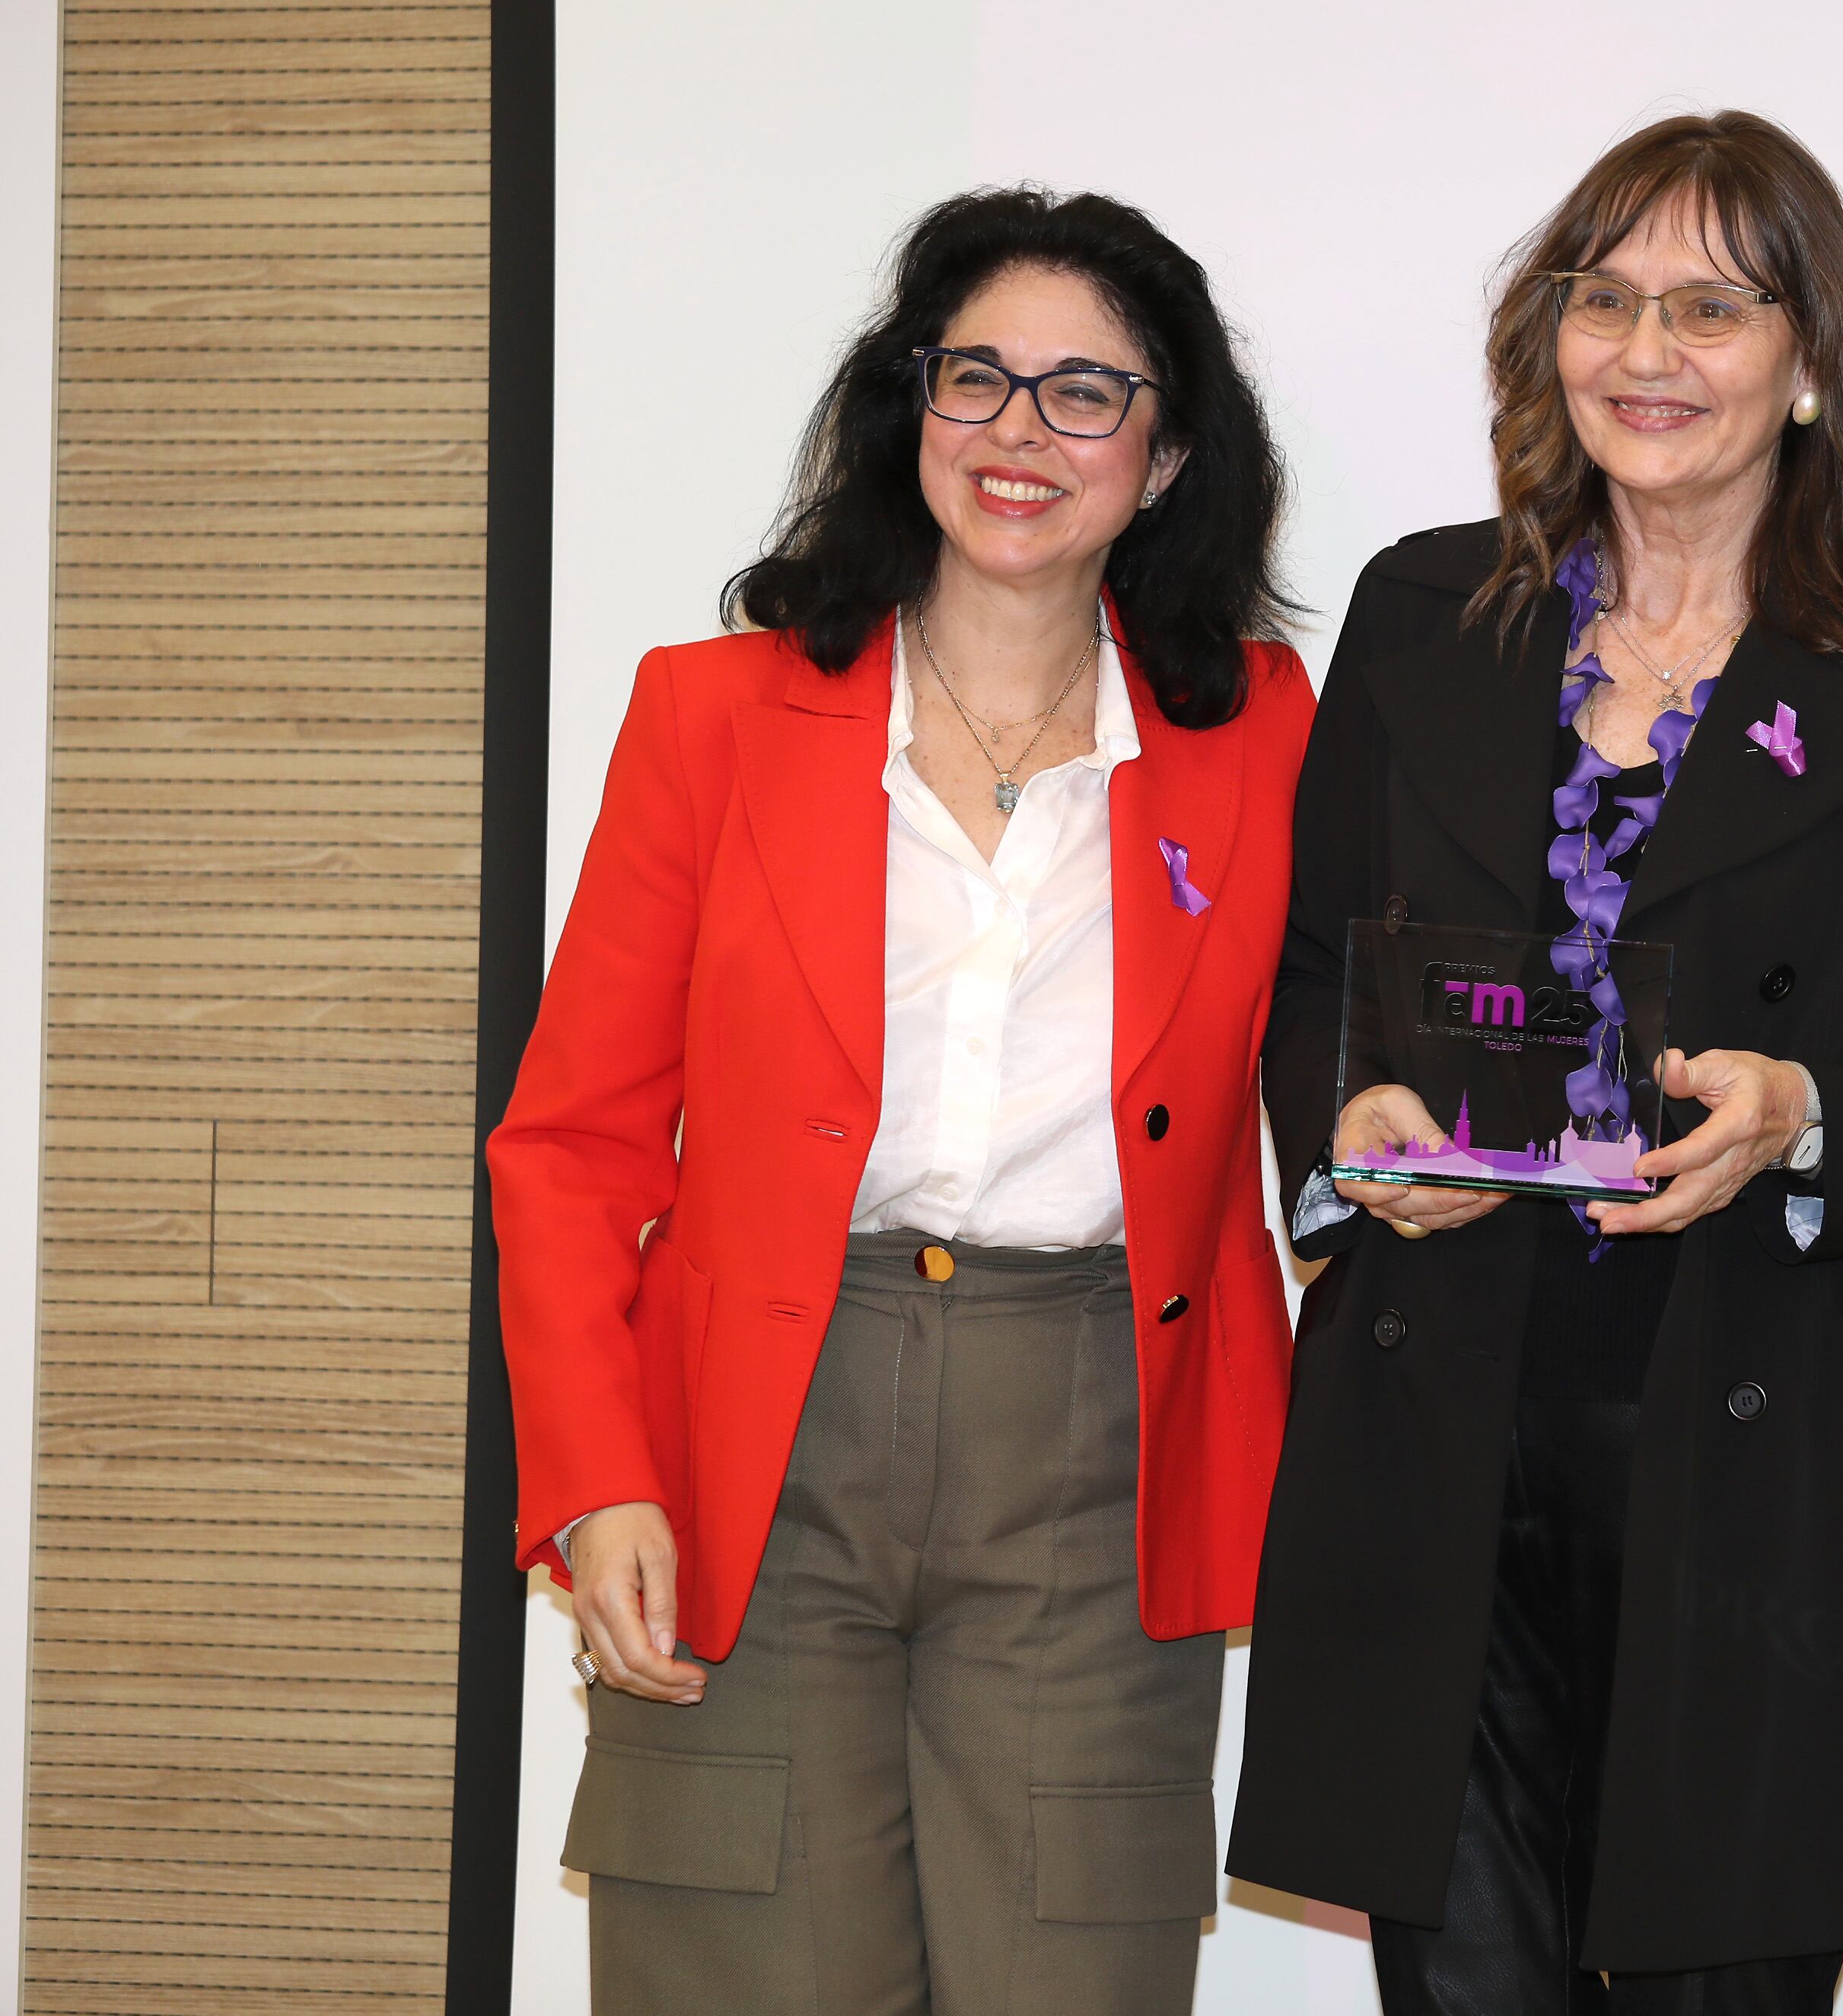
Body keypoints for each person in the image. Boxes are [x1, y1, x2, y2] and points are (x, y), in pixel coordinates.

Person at [1224, 111, 1843, 2014]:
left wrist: (1806, 1118)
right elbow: (1310, 980)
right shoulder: (1423, 617)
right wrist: (1347, 1120)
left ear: (1810, 362)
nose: (1647, 352)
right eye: (1604, 300)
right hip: (1439, 1435)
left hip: (1760, 1478)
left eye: (1710, 305)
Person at [489, 187, 1312, 2013]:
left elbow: (1348, 1064)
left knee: (1068, 1979)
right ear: (906, 408)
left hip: (1096, 1449)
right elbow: (570, 1147)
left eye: (1088, 391)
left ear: (1167, 454)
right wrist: (597, 1473)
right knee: (734, 1968)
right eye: (977, 379)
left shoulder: (1261, 729)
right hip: (757, 1435)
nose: (1021, 432)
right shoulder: (715, 714)